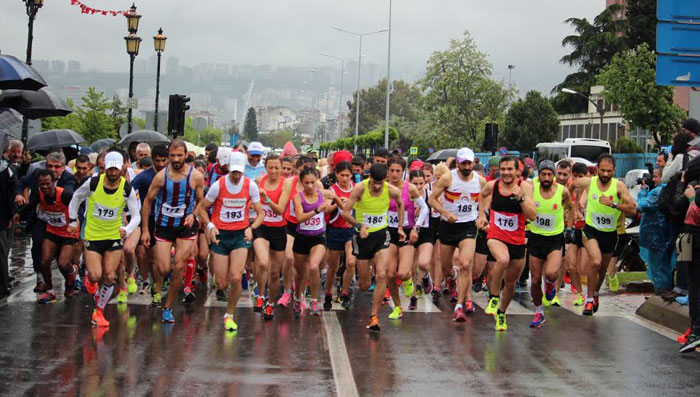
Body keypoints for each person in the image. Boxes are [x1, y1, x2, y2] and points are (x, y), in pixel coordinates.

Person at [67, 152, 141, 328]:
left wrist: (127, 229)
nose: (113, 172)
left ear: (122, 167)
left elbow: (136, 215)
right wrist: (72, 220)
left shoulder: (126, 188)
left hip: (114, 236)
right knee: (95, 275)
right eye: (110, 169)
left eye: (116, 168)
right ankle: (88, 275)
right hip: (93, 235)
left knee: (109, 276)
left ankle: (98, 312)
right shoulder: (93, 183)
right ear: (105, 168)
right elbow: (76, 197)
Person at [196, 151, 264, 332]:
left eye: (238, 173)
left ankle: (230, 315)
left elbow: (261, 213)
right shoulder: (218, 186)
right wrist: (210, 226)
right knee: (222, 284)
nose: (235, 176)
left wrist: (251, 228)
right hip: (220, 236)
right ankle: (220, 289)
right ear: (229, 169)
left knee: (235, 276)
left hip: (240, 236)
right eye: (233, 172)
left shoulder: (250, 186)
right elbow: (202, 209)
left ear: (243, 171)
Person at [140, 140, 205, 323]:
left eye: (179, 155)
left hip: (186, 226)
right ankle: (172, 278)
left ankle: (167, 308)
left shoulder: (196, 176)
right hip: (164, 226)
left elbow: (202, 201)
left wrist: (194, 214)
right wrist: (145, 229)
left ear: (186, 155)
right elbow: (147, 202)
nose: (176, 159)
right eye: (173, 156)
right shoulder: (161, 177)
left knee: (178, 266)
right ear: (169, 156)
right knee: (163, 268)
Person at [569, 154, 637, 316]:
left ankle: (596, 294)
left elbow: (633, 209)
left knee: (602, 270)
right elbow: (572, 185)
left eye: (609, 171)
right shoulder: (589, 182)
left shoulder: (618, 186)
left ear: (614, 170)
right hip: (591, 230)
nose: (605, 174)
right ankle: (590, 299)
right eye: (602, 170)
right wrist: (573, 207)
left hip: (610, 234)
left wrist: (613, 204)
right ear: (597, 170)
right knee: (596, 262)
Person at [342, 163, 404, 331]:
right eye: (374, 182)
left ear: (385, 179)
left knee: (382, 274)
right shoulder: (360, 189)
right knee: (363, 285)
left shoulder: (391, 190)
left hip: (381, 235)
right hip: (362, 237)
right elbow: (345, 212)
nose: (377, 186)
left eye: (380, 182)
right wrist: (359, 225)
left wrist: (399, 227)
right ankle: (363, 278)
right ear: (370, 178)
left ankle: (374, 316)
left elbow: (400, 203)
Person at [477, 156, 536, 331]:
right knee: (502, 260)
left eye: (510, 169)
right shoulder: (493, 186)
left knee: (510, 283)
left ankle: (502, 312)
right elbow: (482, 195)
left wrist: (521, 199)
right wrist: (481, 215)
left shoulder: (525, 187)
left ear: (518, 171)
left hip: (517, 240)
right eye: (503, 169)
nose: (506, 173)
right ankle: (494, 296)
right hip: (496, 235)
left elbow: (532, 216)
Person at [429, 148, 486, 321]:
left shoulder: (480, 181)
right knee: (446, 269)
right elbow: (431, 199)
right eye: (463, 163)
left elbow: (485, 197)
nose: (466, 166)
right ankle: (452, 277)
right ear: (458, 163)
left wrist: (481, 215)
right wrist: (445, 214)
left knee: (466, 264)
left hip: (468, 227)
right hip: (448, 226)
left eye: (469, 163)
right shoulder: (448, 178)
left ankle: (461, 304)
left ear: (473, 163)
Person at [15, 151, 78, 293]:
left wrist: (75, 223)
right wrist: (19, 207)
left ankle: (71, 278)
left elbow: (73, 199)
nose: (53, 170)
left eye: (57, 166)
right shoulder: (38, 174)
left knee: (63, 260)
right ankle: (44, 283)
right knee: (40, 250)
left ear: (63, 167)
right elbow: (23, 184)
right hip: (44, 221)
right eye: (50, 166)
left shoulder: (68, 181)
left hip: (66, 226)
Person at [527, 161, 573, 328]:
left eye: (549, 174)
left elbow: (569, 208)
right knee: (535, 281)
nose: (546, 178)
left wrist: (569, 228)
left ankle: (551, 284)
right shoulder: (532, 188)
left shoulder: (562, 191)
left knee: (551, 274)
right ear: (539, 175)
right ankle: (539, 312)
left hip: (554, 238)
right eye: (543, 174)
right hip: (535, 238)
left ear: (553, 175)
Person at [291, 166, 342, 316]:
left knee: (313, 266)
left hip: (318, 238)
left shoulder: (323, 194)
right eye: (306, 183)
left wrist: (343, 207)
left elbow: (335, 196)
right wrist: (317, 211)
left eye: (313, 182)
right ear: (301, 183)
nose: (310, 186)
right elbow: (299, 218)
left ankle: (314, 300)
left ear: (317, 181)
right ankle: (298, 297)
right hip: (301, 238)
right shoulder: (298, 197)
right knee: (301, 273)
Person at [385, 155, 428, 320]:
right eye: (392, 171)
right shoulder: (383, 188)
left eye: (398, 171)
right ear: (387, 171)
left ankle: (408, 278)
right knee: (389, 274)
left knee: (402, 273)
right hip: (388, 231)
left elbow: (424, 209)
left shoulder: (409, 188)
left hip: (407, 232)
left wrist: (416, 227)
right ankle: (397, 307)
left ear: (403, 172)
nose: (394, 174)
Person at [254, 153, 292, 319]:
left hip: (279, 230)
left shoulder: (286, 184)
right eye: (271, 167)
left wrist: (266, 199)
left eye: (277, 167)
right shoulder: (258, 181)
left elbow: (281, 209)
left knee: (275, 273)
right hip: (262, 228)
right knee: (262, 263)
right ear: (265, 168)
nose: (274, 171)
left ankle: (270, 304)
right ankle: (260, 297)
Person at [131, 144, 168, 297]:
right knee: (149, 256)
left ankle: (160, 282)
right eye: (157, 161)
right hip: (149, 219)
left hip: (167, 220)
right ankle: (152, 284)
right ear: (152, 160)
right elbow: (128, 192)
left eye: (163, 161)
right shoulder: (144, 176)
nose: (160, 164)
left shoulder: (172, 175)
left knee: (161, 258)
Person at [637, 167, 676, 293]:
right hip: (663, 236)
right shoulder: (668, 190)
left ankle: (661, 292)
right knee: (664, 268)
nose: (652, 179)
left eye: (655, 176)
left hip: (656, 237)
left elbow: (642, 205)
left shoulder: (658, 192)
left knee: (658, 270)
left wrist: (643, 192)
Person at [324, 161, 356, 310]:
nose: (344, 178)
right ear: (336, 175)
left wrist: (352, 206)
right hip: (336, 229)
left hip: (351, 231)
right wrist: (337, 202)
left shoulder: (356, 189)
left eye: (347, 175)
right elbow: (326, 209)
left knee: (350, 262)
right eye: (342, 175)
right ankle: (329, 293)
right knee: (333, 265)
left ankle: (344, 293)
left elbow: (362, 206)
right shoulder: (332, 189)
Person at [0, 154, 17, 296]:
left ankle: (3, 284)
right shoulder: (5, 168)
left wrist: (12, 214)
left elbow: (10, 192)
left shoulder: (5, 168)